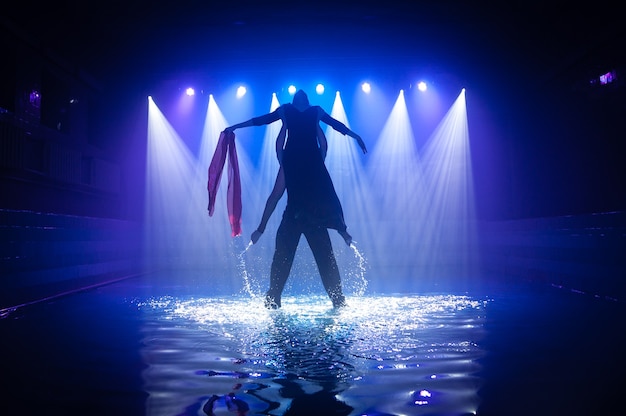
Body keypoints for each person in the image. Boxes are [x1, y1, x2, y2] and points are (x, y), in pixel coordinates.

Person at [226, 89, 366, 308]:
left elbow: (327, 132)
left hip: (298, 215)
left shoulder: (294, 151)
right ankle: (281, 298)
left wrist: (261, 228)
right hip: (308, 216)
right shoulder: (307, 154)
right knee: (300, 258)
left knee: (307, 258)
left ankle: (283, 298)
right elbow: (266, 123)